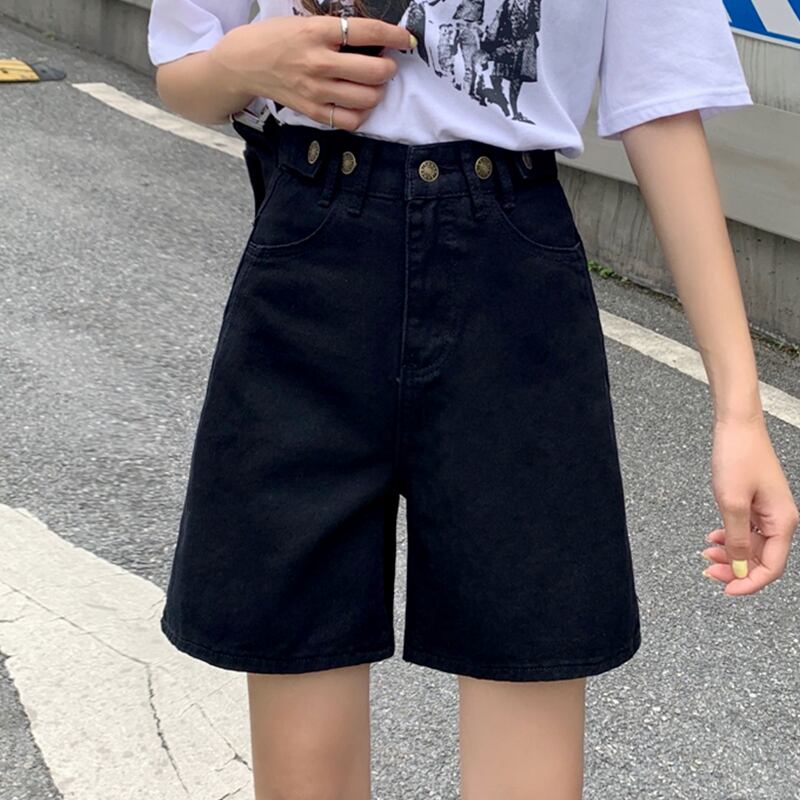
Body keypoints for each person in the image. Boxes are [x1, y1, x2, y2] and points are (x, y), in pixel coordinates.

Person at [147, 0, 799, 797]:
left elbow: (662, 109)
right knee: (303, 759)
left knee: (529, 709)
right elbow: (185, 68)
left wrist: (740, 411)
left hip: (512, 282)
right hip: (312, 261)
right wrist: (245, 64)